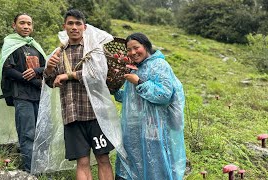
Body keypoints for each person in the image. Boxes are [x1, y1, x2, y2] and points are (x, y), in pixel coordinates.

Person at [42, 9, 118, 179]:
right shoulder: (58, 53)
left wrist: (68, 75)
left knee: (103, 158)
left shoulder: (94, 50)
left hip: (95, 114)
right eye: (70, 23)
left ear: (84, 27)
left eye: (78, 24)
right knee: (82, 162)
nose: (74, 27)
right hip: (71, 115)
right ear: (64, 27)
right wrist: (49, 69)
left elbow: (98, 75)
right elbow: (49, 82)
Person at [114, 33, 187, 180]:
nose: (133, 53)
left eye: (136, 48)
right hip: (134, 129)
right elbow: (131, 99)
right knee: (131, 165)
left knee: (154, 165)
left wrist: (139, 82)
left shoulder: (159, 65)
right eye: (129, 50)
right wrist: (114, 88)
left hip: (154, 129)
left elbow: (164, 95)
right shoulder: (134, 68)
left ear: (146, 46)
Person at [0, 13, 46, 172]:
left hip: (38, 96)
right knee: (28, 134)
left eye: (29, 24)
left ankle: (42, 171)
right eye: (22, 23)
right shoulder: (11, 44)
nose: (26, 26)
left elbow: (48, 68)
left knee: (41, 135)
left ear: (32, 26)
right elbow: (8, 70)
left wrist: (37, 70)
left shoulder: (35, 46)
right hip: (22, 96)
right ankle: (30, 172)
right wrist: (33, 80)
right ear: (14, 25)